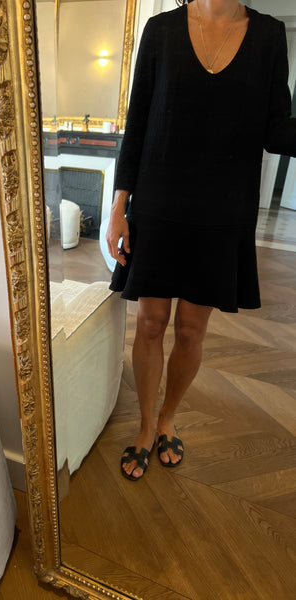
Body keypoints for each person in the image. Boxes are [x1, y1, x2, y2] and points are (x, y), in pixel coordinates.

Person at [106, 0, 296, 481]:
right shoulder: (161, 30)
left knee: (191, 330)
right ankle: (145, 425)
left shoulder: (269, 36)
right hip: (158, 204)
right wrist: (118, 206)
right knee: (151, 323)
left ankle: (167, 418)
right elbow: (137, 123)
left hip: (223, 211)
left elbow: (278, 131)